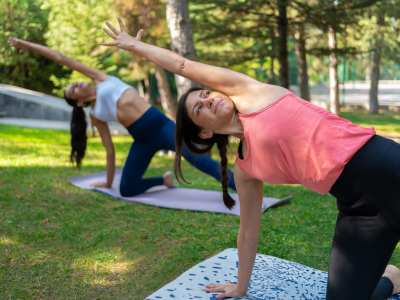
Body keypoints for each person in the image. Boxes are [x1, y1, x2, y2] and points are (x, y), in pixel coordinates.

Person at [102, 18, 400, 299]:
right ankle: (392, 278)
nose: (208, 99)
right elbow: (247, 229)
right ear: (205, 132)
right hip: (359, 211)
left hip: (387, 168)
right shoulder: (245, 168)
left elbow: (183, 65)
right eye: (199, 109)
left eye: (205, 93)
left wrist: (136, 46)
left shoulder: (252, 93)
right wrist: (241, 285)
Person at [8, 37, 236, 198]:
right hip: (142, 140)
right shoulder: (96, 116)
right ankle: (162, 181)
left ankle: (239, 186)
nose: (75, 84)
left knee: (200, 161)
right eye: (72, 90)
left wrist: (24, 44)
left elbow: (60, 57)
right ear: (79, 101)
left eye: (73, 83)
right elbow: (109, 150)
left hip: (161, 126)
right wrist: (108, 183)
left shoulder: (102, 79)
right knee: (126, 188)